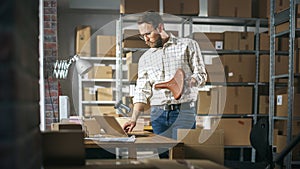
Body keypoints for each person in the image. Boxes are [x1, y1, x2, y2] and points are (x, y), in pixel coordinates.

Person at [123, 11, 207, 158]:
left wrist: (189, 81)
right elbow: (142, 91)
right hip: (158, 114)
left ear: (160, 28)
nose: (145, 39)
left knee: (182, 158)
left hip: (184, 111)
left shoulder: (188, 45)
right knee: (164, 160)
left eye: (148, 34)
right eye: (141, 35)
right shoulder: (145, 59)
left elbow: (201, 75)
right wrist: (133, 119)